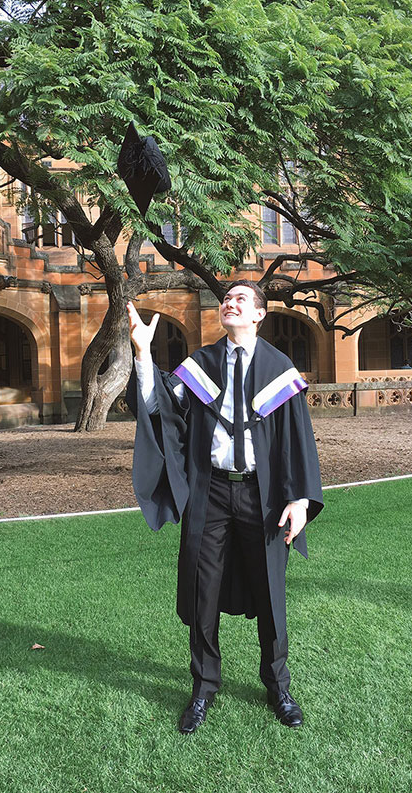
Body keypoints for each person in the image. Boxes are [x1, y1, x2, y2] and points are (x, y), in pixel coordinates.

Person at [126, 281, 323, 734]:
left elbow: (298, 440)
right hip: (210, 491)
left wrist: (299, 499)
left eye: (240, 300)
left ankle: (278, 685)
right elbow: (161, 410)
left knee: (271, 591)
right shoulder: (202, 365)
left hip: (264, 495)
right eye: (226, 299)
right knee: (202, 591)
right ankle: (203, 687)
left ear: (259, 314)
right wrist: (142, 354)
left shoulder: (280, 369)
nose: (228, 304)